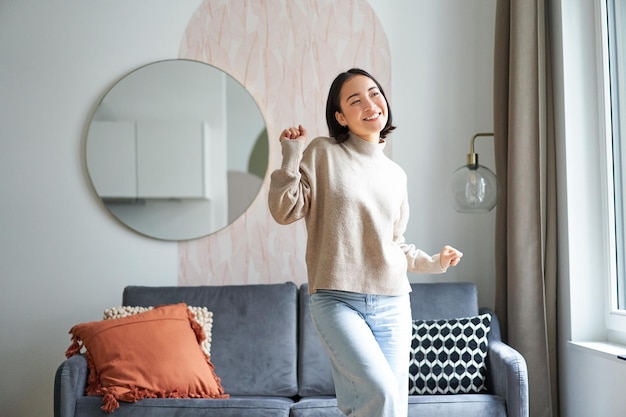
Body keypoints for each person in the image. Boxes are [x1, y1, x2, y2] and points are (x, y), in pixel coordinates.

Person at [268, 68, 463, 417]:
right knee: (381, 395)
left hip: (393, 303)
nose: (370, 104)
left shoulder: (396, 174)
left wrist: (435, 261)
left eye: (375, 94)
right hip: (335, 300)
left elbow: (394, 243)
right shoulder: (322, 152)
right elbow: (285, 210)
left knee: (390, 408)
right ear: (340, 116)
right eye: (355, 100)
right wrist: (291, 157)